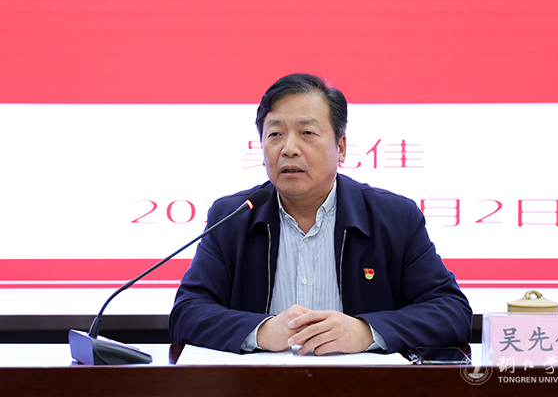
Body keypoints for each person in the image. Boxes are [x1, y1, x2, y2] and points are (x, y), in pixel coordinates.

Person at [169, 73, 472, 355]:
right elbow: (187, 313)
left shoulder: (394, 217)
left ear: (341, 147)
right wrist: (261, 331)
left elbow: (451, 311)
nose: (289, 148)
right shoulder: (232, 217)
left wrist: (366, 331)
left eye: (307, 133)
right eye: (275, 134)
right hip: (260, 384)